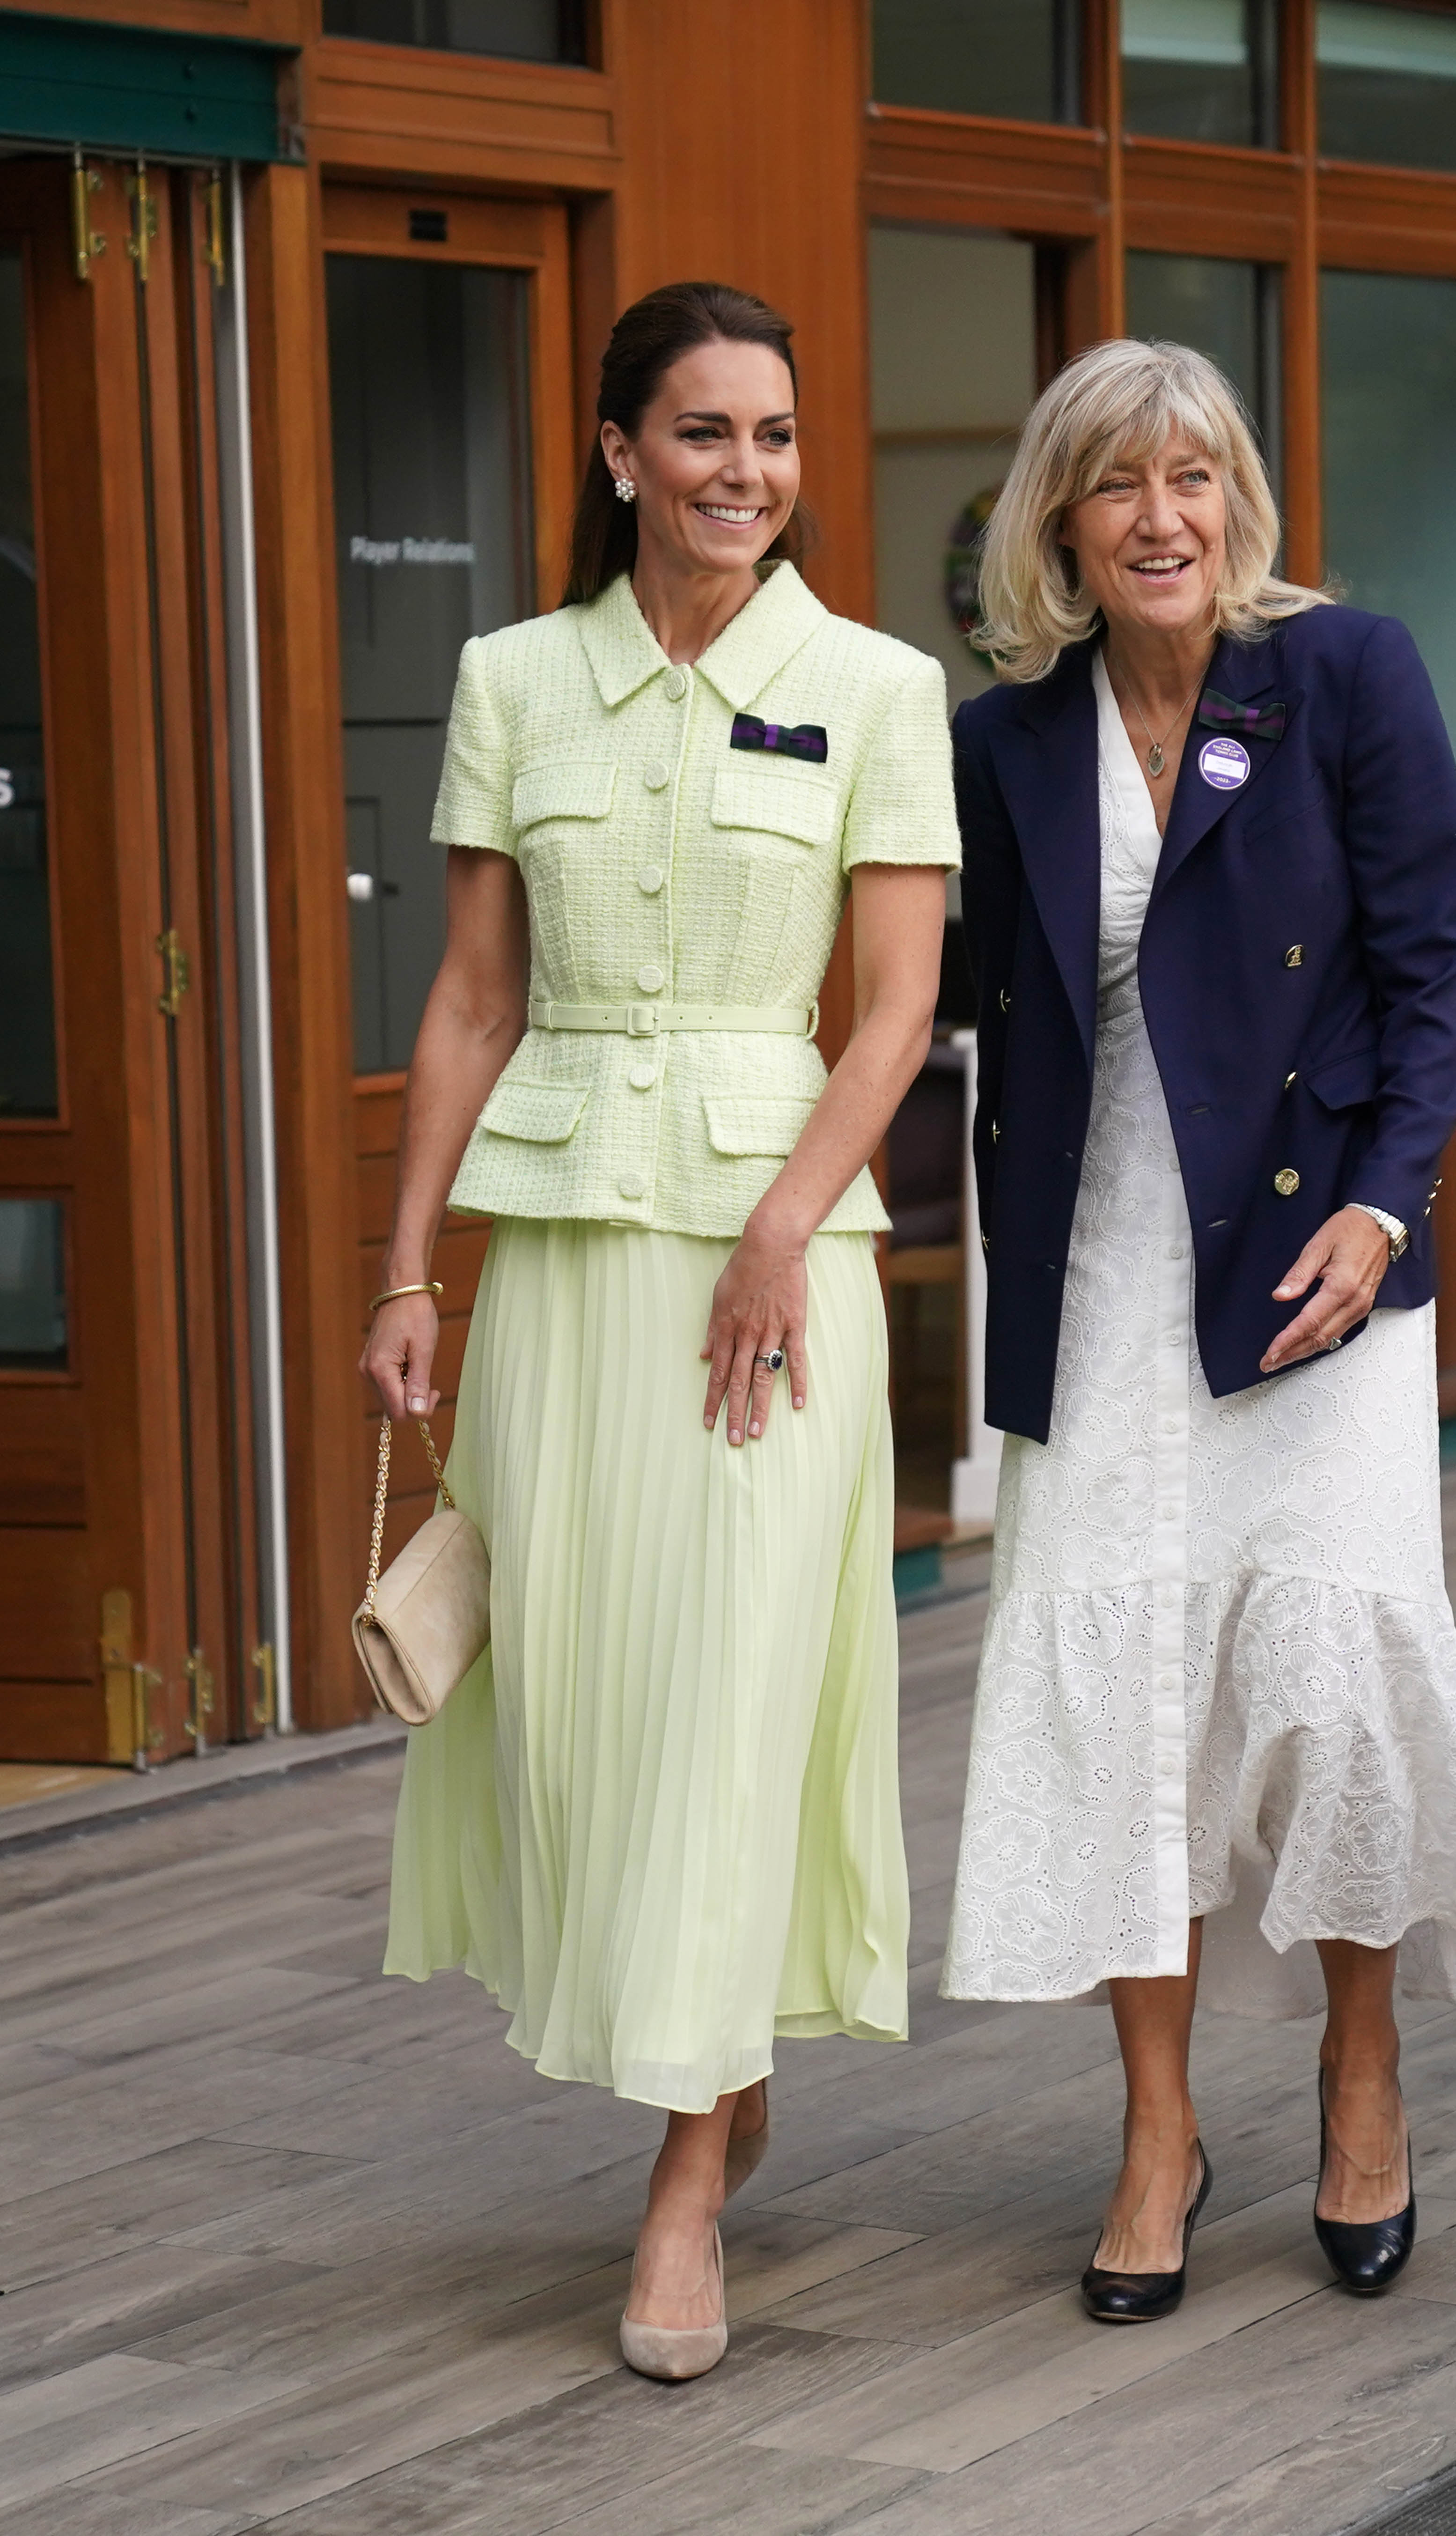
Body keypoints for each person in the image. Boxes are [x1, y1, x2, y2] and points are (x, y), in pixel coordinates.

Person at [365, 281, 957, 2381]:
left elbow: (892, 1011)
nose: (748, 474)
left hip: (773, 1268)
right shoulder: (512, 679)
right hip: (565, 1261)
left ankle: (688, 2171)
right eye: (704, 433)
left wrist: (786, 1225)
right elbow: (467, 998)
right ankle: (710, 2054)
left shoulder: (877, 688)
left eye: (775, 436)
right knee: (592, 1705)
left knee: (726, 1694)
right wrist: (410, 1269)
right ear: (619, 452)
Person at [942, 337, 1456, 2322]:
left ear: (1238, 503)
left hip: (1315, 1261)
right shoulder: (1007, 737)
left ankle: (1360, 2076)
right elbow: (934, 988)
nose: (1160, 516)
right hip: (1098, 1259)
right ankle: (1155, 2127)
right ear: (1061, 519)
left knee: (1328, 1668)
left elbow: (1433, 963)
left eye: (1192, 476)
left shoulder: (1342, 676)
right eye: (1116, 483)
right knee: (1127, 1692)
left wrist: (1385, 1206)